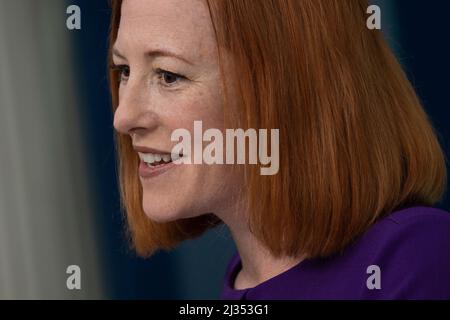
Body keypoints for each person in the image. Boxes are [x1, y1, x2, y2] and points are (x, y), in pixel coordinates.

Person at [109, 0, 449, 299]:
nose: (123, 117)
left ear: (288, 89)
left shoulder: (415, 257)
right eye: (124, 70)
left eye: (168, 75)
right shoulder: (241, 281)